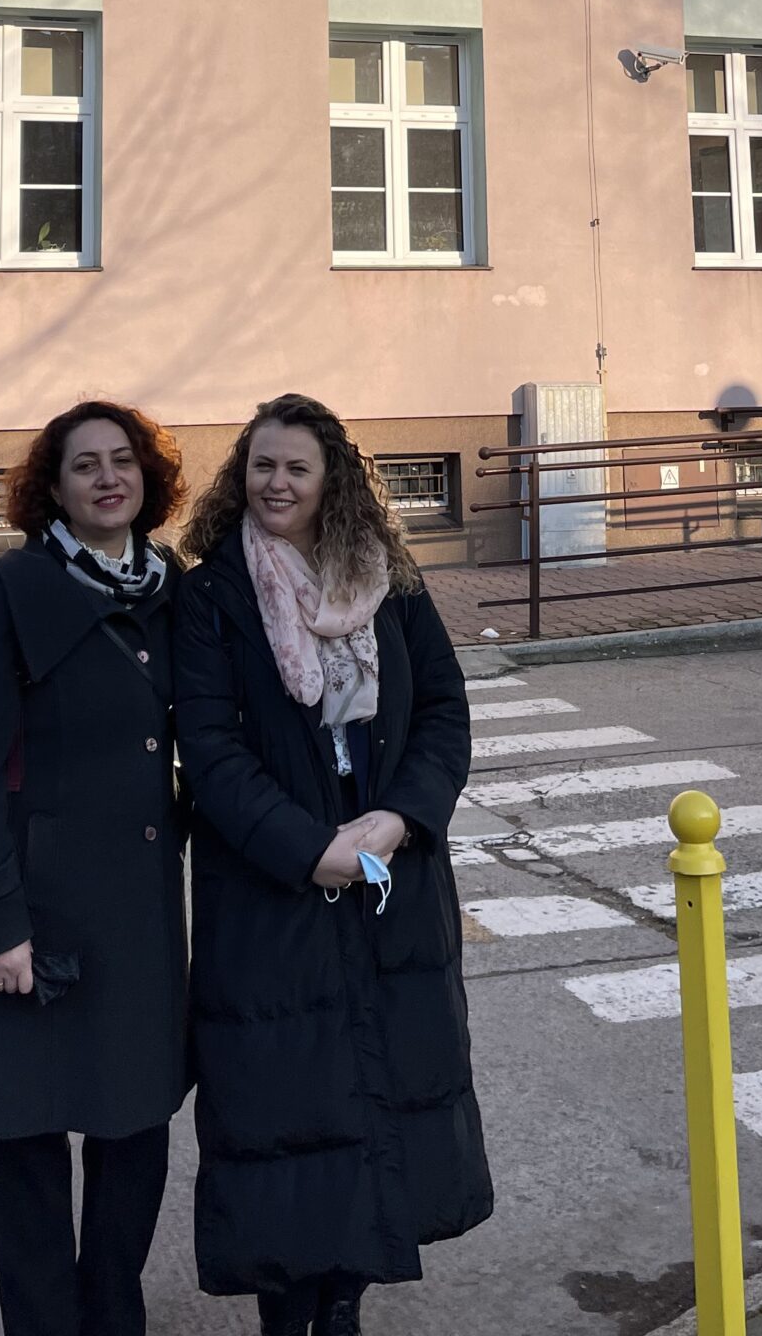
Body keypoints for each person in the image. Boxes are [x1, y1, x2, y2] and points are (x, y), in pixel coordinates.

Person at [173, 392, 493, 1336]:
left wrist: (400, 820)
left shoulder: (387, 575)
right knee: (280, 1107)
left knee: (381, 1089)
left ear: (330, 481)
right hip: (271, 891)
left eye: (296, 469)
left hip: (392, 879)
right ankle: (286, 1304)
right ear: (243, 476)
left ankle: (345, 1298)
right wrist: (309, 850)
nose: (277, 484)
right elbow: (213, 750)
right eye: (262, 466)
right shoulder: (214, 594)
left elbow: (442, 707)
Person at [0, 399, 188, 1336]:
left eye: (124, 461)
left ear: (148, 479)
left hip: (138, 913)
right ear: (55, 489)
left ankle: (113, 1314)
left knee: (136, 1129)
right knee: (29, 1142)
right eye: (86, 466)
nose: (109, 477)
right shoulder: (6, 592)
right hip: (32, 910)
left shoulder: (169, 585)